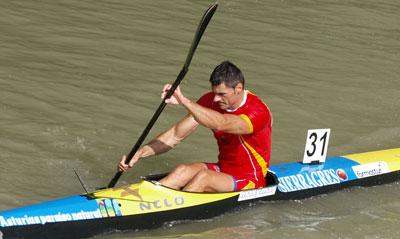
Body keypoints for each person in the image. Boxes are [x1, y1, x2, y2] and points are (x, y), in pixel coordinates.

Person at [118, 61, 272, 193]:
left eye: (222, 94)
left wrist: (184, 101)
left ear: (238, 88)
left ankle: (167, 210)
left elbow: (222, 123)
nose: (216, 98)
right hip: (223, 168)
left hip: (250, 179)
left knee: (203, 178)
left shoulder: (258, 112)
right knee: (182, 171)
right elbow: (175, 136)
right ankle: (142, 199)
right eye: (214, 93)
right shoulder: (211, 101)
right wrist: (139, 153)